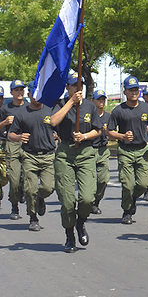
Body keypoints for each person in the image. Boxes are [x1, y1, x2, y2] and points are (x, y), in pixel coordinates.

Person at [50, 70, 97, 253]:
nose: (78, 89)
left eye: (81, 86)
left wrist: (84, 136)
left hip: (85, 152)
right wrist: (70, 102)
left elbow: (98, 130)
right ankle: (69, 235)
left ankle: (81, 222)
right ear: (67, 87)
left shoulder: (90, 106)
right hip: (65, 153)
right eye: (74, 86)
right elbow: (54, 121)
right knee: (68, 201)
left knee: (87, 198)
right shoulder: (60, 104)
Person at [8, 80, 57, 232]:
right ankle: (33, 218)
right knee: (30, 190)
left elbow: (58, 127)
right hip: (29, 156)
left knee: (48, 187)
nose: (36, 96)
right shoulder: (22, 114)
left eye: (39, 92)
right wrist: (19, 137)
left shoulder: (50, 111)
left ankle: (40, 198)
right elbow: (11, 134)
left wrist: (57, 135)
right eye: (33, 93)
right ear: (28, 94)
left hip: (48, 156)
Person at [107, 76, 148, 224]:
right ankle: (127, 211)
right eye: (131, 90)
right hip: (125, 151)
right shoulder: (118, 110)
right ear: (125, 92)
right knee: (128, 185)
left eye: (136, 89)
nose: (134, 92)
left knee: (144, 184)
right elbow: (109, 132)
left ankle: (133, 199)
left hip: (142, 150)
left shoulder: (147, 109)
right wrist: (122, 136)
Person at [0, 80, 28, 220]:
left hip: (28, 143)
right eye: (16, 90)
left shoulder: (29, 107)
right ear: (11, 92)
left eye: (21, 89)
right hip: (12, 143)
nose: (19, 92)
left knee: (27, 177)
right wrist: (4, 123)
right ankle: (14, 206)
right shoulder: (5, 109)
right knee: (14, 179)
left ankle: (25, 194)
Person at [88, 89, 111, 215]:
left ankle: (96, 201)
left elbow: (113, 134)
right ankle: (88, 201)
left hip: (103, 150)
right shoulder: (88, 116)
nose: (101, 101)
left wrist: (109, 132)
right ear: (93, 101)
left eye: (103, 99)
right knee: (90, 179)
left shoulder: (108, 117)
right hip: (89, 149)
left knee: (103, 179)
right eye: (99, 99)